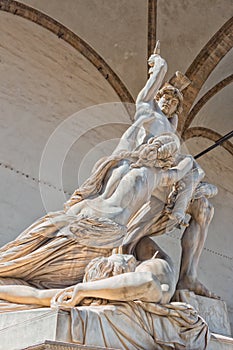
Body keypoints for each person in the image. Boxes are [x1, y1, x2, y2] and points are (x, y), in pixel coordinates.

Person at [0, 133, 192, 294]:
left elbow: (126, 139)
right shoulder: (156, 175)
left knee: (16, 260)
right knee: (46, 279)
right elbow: (182, 170)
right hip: (102, 231)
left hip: (72, 217)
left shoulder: (120, 160)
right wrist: (188, 160)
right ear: (166, 160)